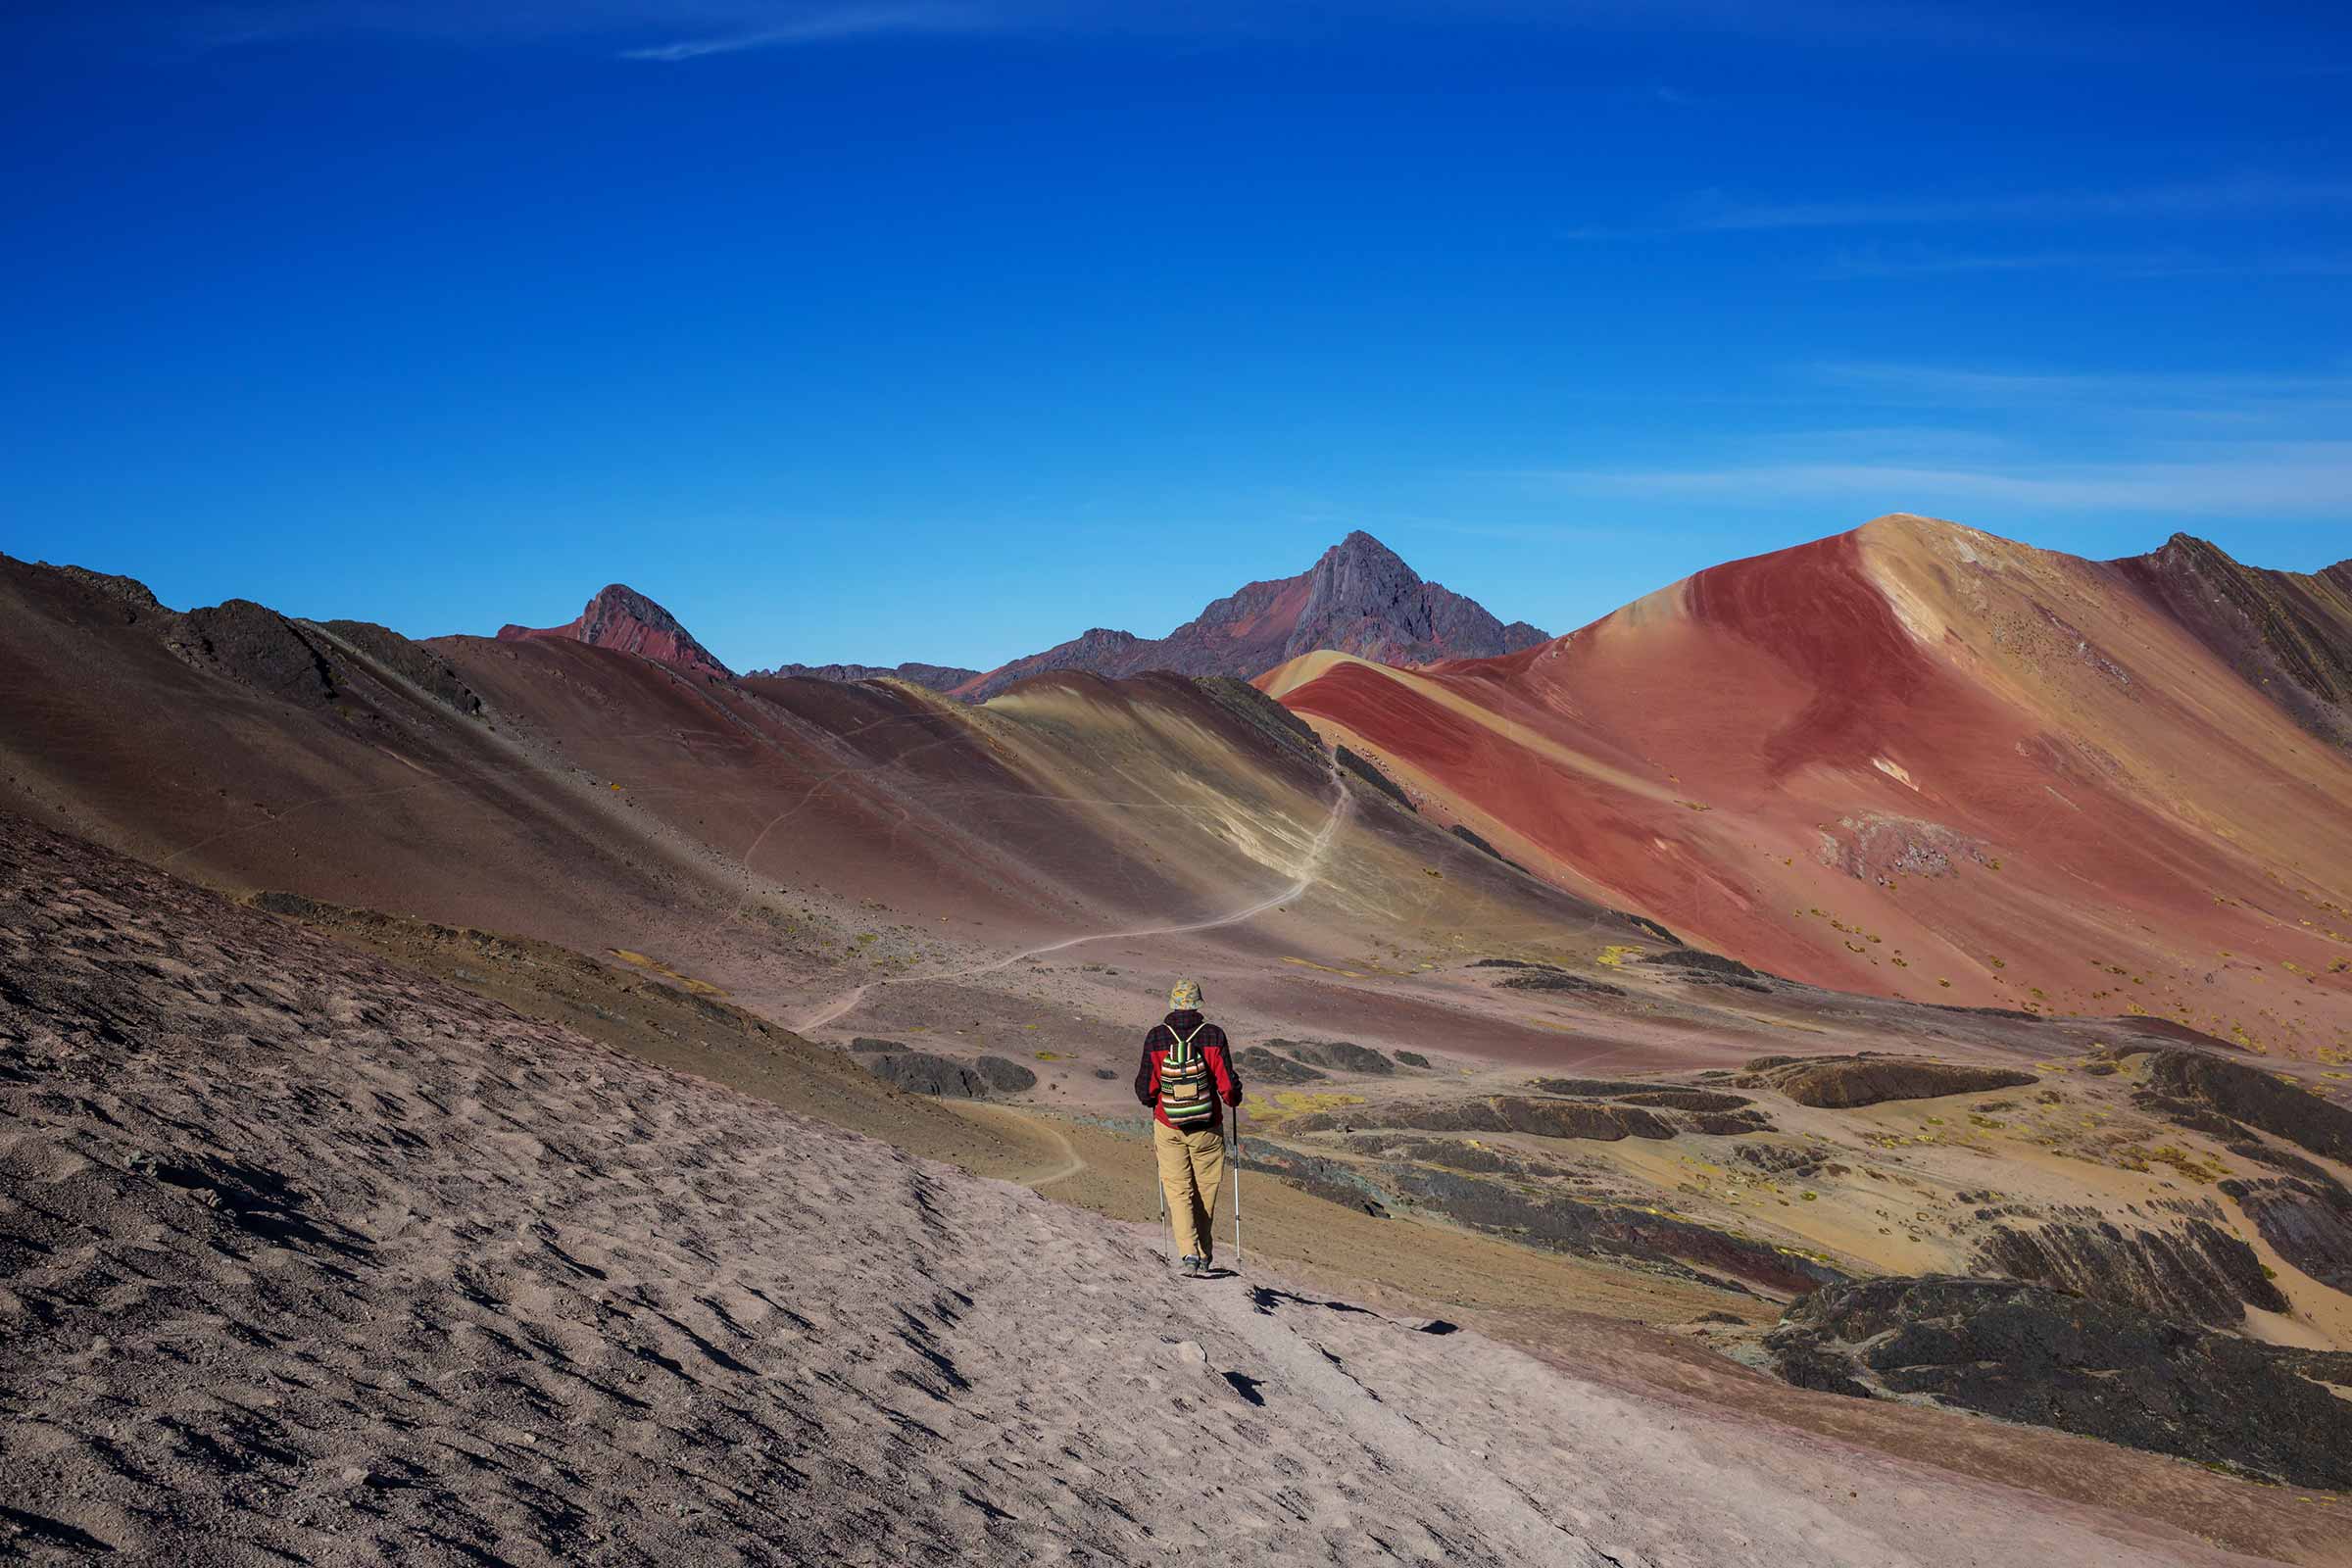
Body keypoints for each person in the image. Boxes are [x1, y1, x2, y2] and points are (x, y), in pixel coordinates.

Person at [1134, 977, 1244, 1275]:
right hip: (1207, 1128)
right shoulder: (1213, 1036)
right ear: (1198, 1004)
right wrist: (1235, 1095)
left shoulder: (1156, 1037)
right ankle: (1204, 1252)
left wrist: (1159, 1101)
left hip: (1169, 1127)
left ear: (1172, 1004)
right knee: (1206, 1189)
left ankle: (1188, 1255)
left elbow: (1144, 1090)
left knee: (1178, 1190)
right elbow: (1228, 1090)